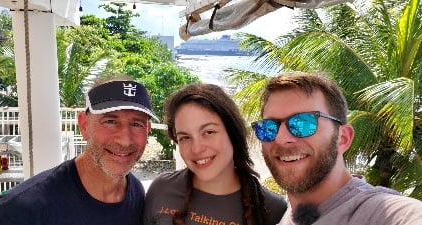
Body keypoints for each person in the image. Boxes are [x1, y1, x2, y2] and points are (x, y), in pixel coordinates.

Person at [0, 77, 159, 225]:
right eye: (110, 121)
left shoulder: (136, 193)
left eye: (136, 124)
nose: (125, 139)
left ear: (148, 129)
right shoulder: (20, 210)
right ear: (83, 125)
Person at [252, 71, 422, 225]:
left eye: (303, 123)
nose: (281, 139)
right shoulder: (284, 215)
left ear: (343, 138)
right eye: (268, 127)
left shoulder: (383, 213)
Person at [144, 83, 287, 225]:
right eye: (185, 137)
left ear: (232, 133)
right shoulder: (161, 190)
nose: (197, 149)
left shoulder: (272, 210)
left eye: (209, 132)